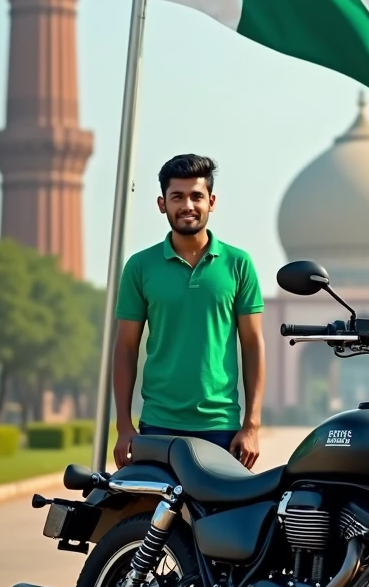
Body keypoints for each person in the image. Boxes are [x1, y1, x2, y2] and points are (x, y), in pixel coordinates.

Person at [112, 154, 265, 470]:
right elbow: (125, 347)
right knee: (150, 518)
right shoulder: (140, 267)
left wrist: (251, 426)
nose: (188, 205)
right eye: (177, 197)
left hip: (221, 426)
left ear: (211, 201)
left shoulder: (238, 264)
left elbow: (252, 345)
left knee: (219, 520)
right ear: (161, 203)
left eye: (196, 196)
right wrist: (124, 426)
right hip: (158, 425)